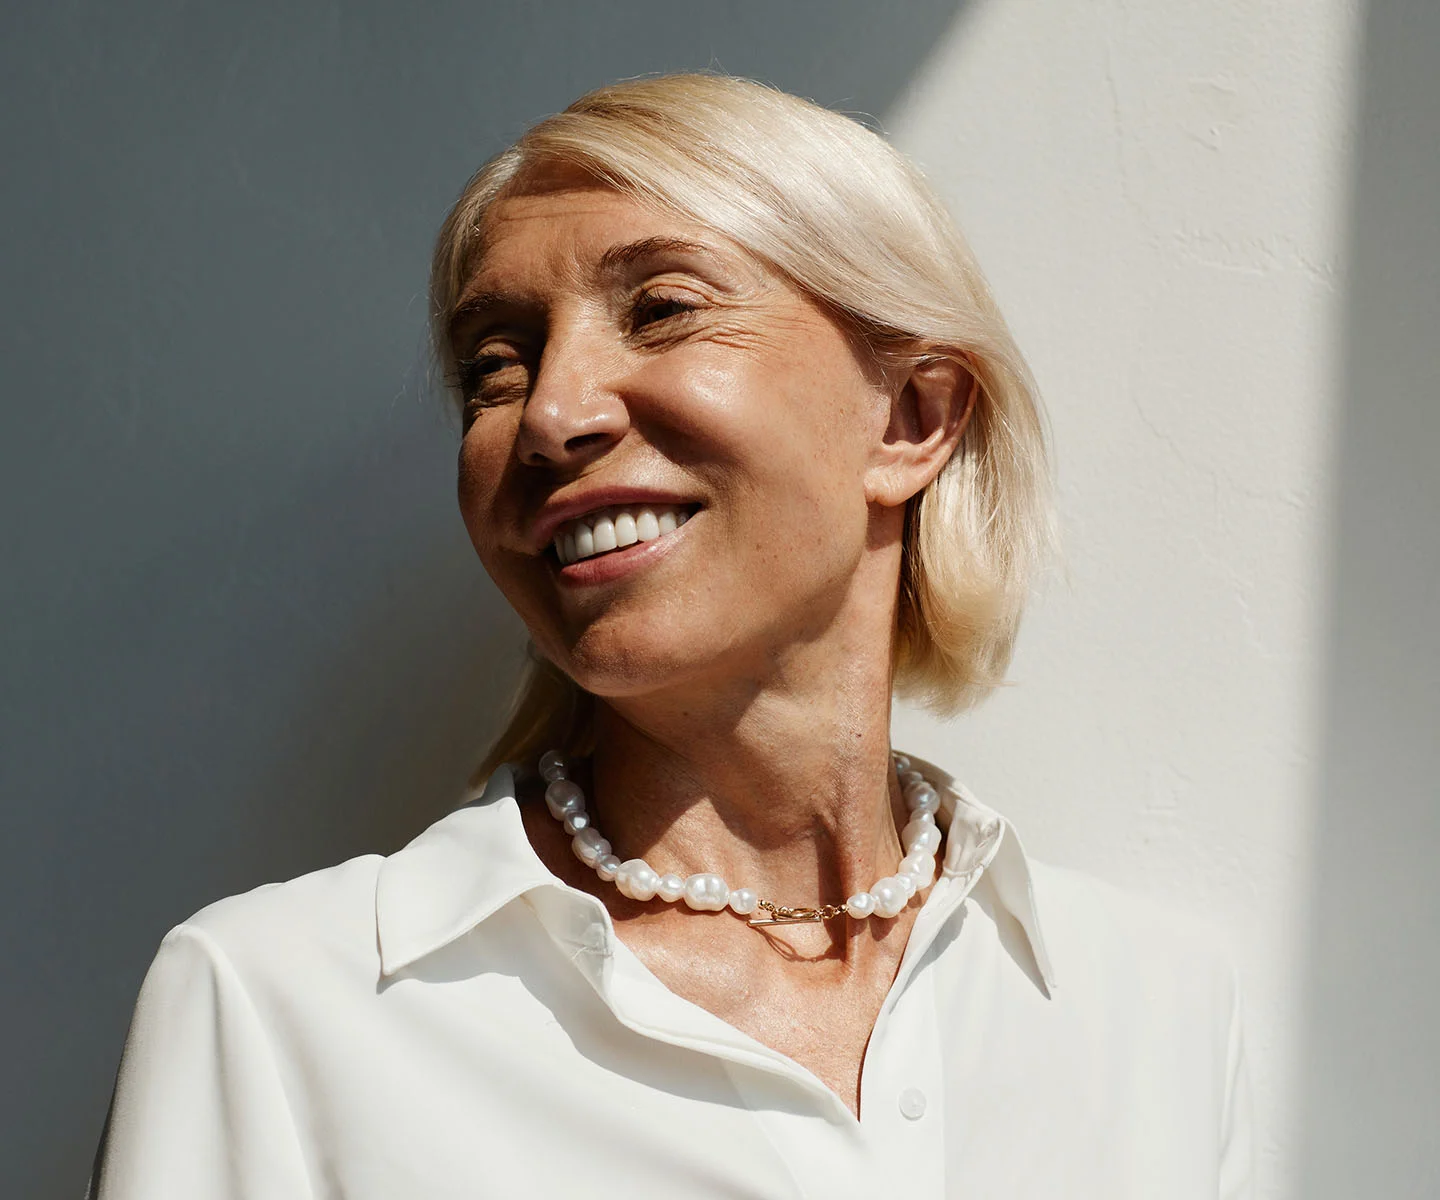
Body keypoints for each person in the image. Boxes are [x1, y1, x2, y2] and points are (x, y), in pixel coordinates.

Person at [90, 73, 1252, 1197]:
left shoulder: (1153, 1013)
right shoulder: (282, 1006)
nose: (550, 414)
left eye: (662, 310)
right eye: (495, 368)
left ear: (910, 417)